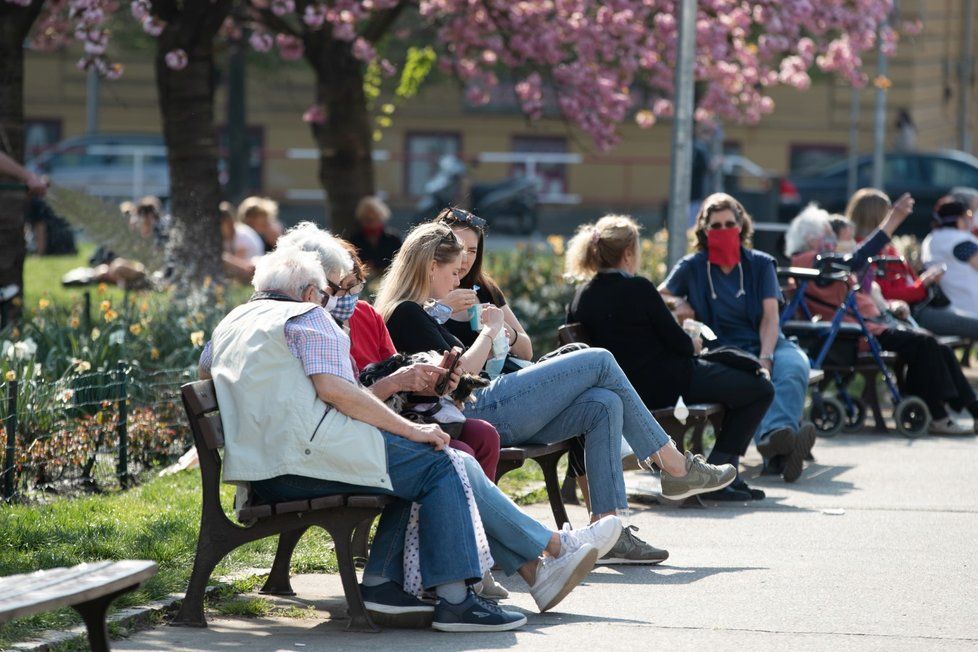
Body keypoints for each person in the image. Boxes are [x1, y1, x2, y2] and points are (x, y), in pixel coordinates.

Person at [198, 246, 622, 629]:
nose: (332, 301)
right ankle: (460, 599)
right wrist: (412, 429)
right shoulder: (308, 317)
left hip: (261, 472)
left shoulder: (231, 323)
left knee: (427, 460)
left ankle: (384, 583)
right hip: (308, 460)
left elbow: (211, 375)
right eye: (329, 292)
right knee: (439, 461)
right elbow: (336, 390)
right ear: (311, 292)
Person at [375, 221, 738, 564]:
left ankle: (606, 530)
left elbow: (500, 356)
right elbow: (458, 377)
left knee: (603, 403)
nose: (461, 276)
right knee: (598, 359)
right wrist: (489, 333)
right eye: (454, 270)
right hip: (477, 407)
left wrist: (488, 330)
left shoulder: (420, 311)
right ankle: (674, 465)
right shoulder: (405, 312)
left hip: (488, 404)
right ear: (429, 268)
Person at [565, 214, 775, 501]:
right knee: (760, 388)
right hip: (669, 382)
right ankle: (721, 472)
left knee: (736, 382)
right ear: (628, 253)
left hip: (625, 389)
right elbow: (681, 345)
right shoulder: (638, 288)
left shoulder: (581, 296)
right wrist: (695, 341)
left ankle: (721, 474)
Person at [275, 222, 502, 482]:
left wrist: (432, 384)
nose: (351, 296)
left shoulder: (366, 314)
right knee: (457, 453)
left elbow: (399, 373)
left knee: (483, 435)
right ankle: (463, 521)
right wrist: (398, 384)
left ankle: (474, 521)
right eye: (344, 287)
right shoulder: (308, 328)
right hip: (358, 429)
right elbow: (342, 402)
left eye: (356, 286)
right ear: (315, 287)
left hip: (394, 414)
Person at [661, 193, 817, 482]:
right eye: (716, 226)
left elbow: (771, 317)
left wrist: (767, 357)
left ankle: (774, 439)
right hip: (722, 351)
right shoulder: (692, 266)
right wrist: (678, 305)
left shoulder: (760, 263)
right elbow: (660, 295)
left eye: (729, 224)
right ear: (705, 231)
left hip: (765, 341)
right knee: (752, 379)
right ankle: (780, 446)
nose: (723, 231)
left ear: (741, 226)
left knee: (795, 366)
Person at [786, 201, 978, 435]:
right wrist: (892, 221)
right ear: (811, 237)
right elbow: (858, 260)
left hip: (867, 324)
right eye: (827, 234)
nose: (833, 240)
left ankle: (967, 409)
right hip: (857, 331)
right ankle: (939, 413)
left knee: (932, 344)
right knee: (924, 343)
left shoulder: (818, 261)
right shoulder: (814, 261)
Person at [846, 188, 978, 340]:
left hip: (921, 307)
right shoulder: (864, 254)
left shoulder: (888, 249)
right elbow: (887, 293)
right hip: (910, 312)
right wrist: (923, 283)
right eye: (889, 213)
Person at [433, 207, 532, 361]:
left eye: (472, 251)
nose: (464, 258)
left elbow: (527, 352)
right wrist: (442, 309)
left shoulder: (484, 288)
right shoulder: (424, 291)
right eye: (457, 248)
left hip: (501, 377)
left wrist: (499, 326)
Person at [922, 197, 978, 319]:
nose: (972, 219)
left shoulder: (930, 239)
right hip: (971, 310)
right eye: (968, 216)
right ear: (959, 220)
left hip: (947, 309)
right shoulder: (962, 241)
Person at [349, 196, 403, 275]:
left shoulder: (393, 238)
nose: (371, 222)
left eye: (375, 218)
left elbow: (400, 262)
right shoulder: (355, 239)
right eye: (367, 219)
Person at [218, 201, 262, 282]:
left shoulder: (241, 234)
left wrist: (225, 259)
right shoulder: (226, 238)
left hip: (254, 268)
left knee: (224, 258)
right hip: (246, 269)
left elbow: (239, 263)